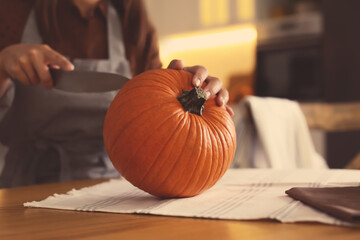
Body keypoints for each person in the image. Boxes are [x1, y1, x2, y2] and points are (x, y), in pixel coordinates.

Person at [0, 0, 232, 188]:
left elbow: (158, 127)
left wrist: (189, 91)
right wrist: (2, 66)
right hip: (24, 188)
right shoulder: (12, 10)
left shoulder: (133, 19)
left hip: (113, 189)